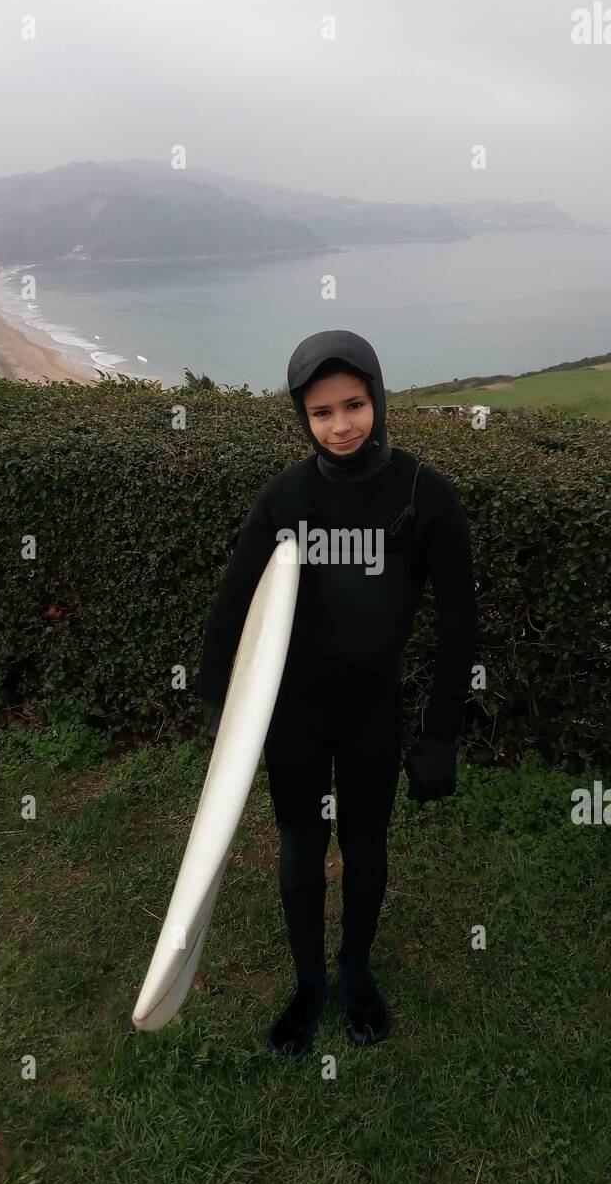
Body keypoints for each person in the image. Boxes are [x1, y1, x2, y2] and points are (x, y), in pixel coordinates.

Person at [195, 329, 476, 1058]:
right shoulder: (287, 495)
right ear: (302, 418)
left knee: (364, 841)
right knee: (299, 841)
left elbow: (459, 620)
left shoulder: (422, 492)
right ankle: (308, 979)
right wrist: (216, 700)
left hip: (370, 706)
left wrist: (441, 729)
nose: (341, 424)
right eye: (321, 412)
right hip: (293, 707)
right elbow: (233, 604)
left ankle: (354, 966)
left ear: (378, 398)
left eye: (353, 404)